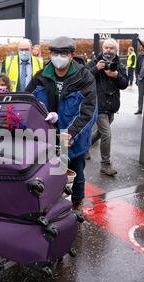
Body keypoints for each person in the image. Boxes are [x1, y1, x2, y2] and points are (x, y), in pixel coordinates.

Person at [26, 36, 98, 212]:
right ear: (50, 54)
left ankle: (77, 202)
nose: (59, 57)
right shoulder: (41, 76)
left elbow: (89, 110)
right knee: (50, 171)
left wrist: (72, 132)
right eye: (55, 53)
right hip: (47, 137)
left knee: (76, 172)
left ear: (72, 55)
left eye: (64, 53)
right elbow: (28, 100)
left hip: (74, 137)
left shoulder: (84, 77)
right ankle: (54, 204)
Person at [87, 39, 129, 176]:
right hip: (98, 105)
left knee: (100, 132)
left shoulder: (119, 65)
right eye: (106, 47)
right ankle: (105, 164)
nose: (108, 50)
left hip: (112, 105)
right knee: (106, 134)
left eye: (111, 48)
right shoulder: (94, 62)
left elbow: (124, 84)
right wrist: (96, 69)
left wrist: (116, 75)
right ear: (102, 48)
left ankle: (84, 148)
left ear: (116, 50)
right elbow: (84, 79)